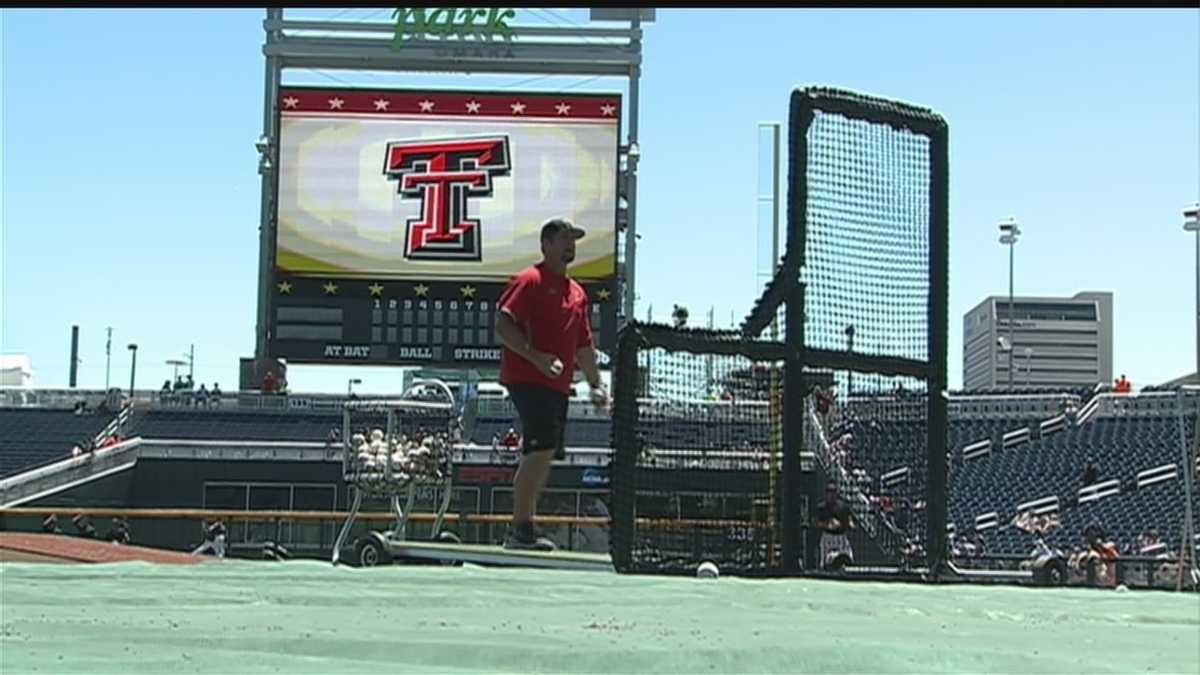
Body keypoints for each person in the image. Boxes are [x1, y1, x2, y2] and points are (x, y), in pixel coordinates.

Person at [494, 217, 608, 550]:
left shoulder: (577, 293)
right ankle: (520, 530)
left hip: (557, 386)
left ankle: (523, 526)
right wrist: (537, 357)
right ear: (546, 244)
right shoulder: (529, 280)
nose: (570, 244)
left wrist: (596, 385)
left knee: (543, 453)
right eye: (563, 238)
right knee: (541, 447)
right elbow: (502, 325)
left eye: (573, 239)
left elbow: (584, 345)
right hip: (527, 377)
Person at [814, 482, 855, 570]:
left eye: (833, 492)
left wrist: (843, 524)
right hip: (827, 538)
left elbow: (850, 522)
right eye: (829, 492)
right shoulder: (821, 507)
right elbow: (816, 522)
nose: (831, 495)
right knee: (825, 563)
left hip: (841, 537)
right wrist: (827, 525)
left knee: (847, 559)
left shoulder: (843, 507)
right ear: (826, 494)